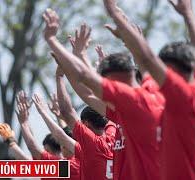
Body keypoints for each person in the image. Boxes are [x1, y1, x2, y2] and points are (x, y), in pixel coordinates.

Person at [102, 0, 195, 179]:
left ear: (172, 72)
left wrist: (115, 14)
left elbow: (149, 60)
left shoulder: (184, 97)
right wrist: (188, 14)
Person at [43, 9, 164, 180]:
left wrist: (57, 45)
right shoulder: (117, 121)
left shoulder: (93, 147)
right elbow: (88, 94)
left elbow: (74, 104)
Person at [55, 66, 114, 180]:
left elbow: (66, 117)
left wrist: (59, 77)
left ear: (86, 124)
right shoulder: (113, 134)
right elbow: (111, 107)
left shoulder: (89, 147)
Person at [32, 92, 80, 180]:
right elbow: (64, 133)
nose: (61, 146)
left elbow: (32, 150)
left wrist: (24, 123)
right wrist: (58, 116)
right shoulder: (80, 159)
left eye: (47, 150)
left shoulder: (69, 166)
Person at [16, 91, 62, 160]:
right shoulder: (50, 165)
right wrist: (25, 119)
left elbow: (32, 147)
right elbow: (33, 145)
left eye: (47, 151)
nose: (43, 152)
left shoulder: (61, 165)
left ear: (59, 151)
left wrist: (24, 123)